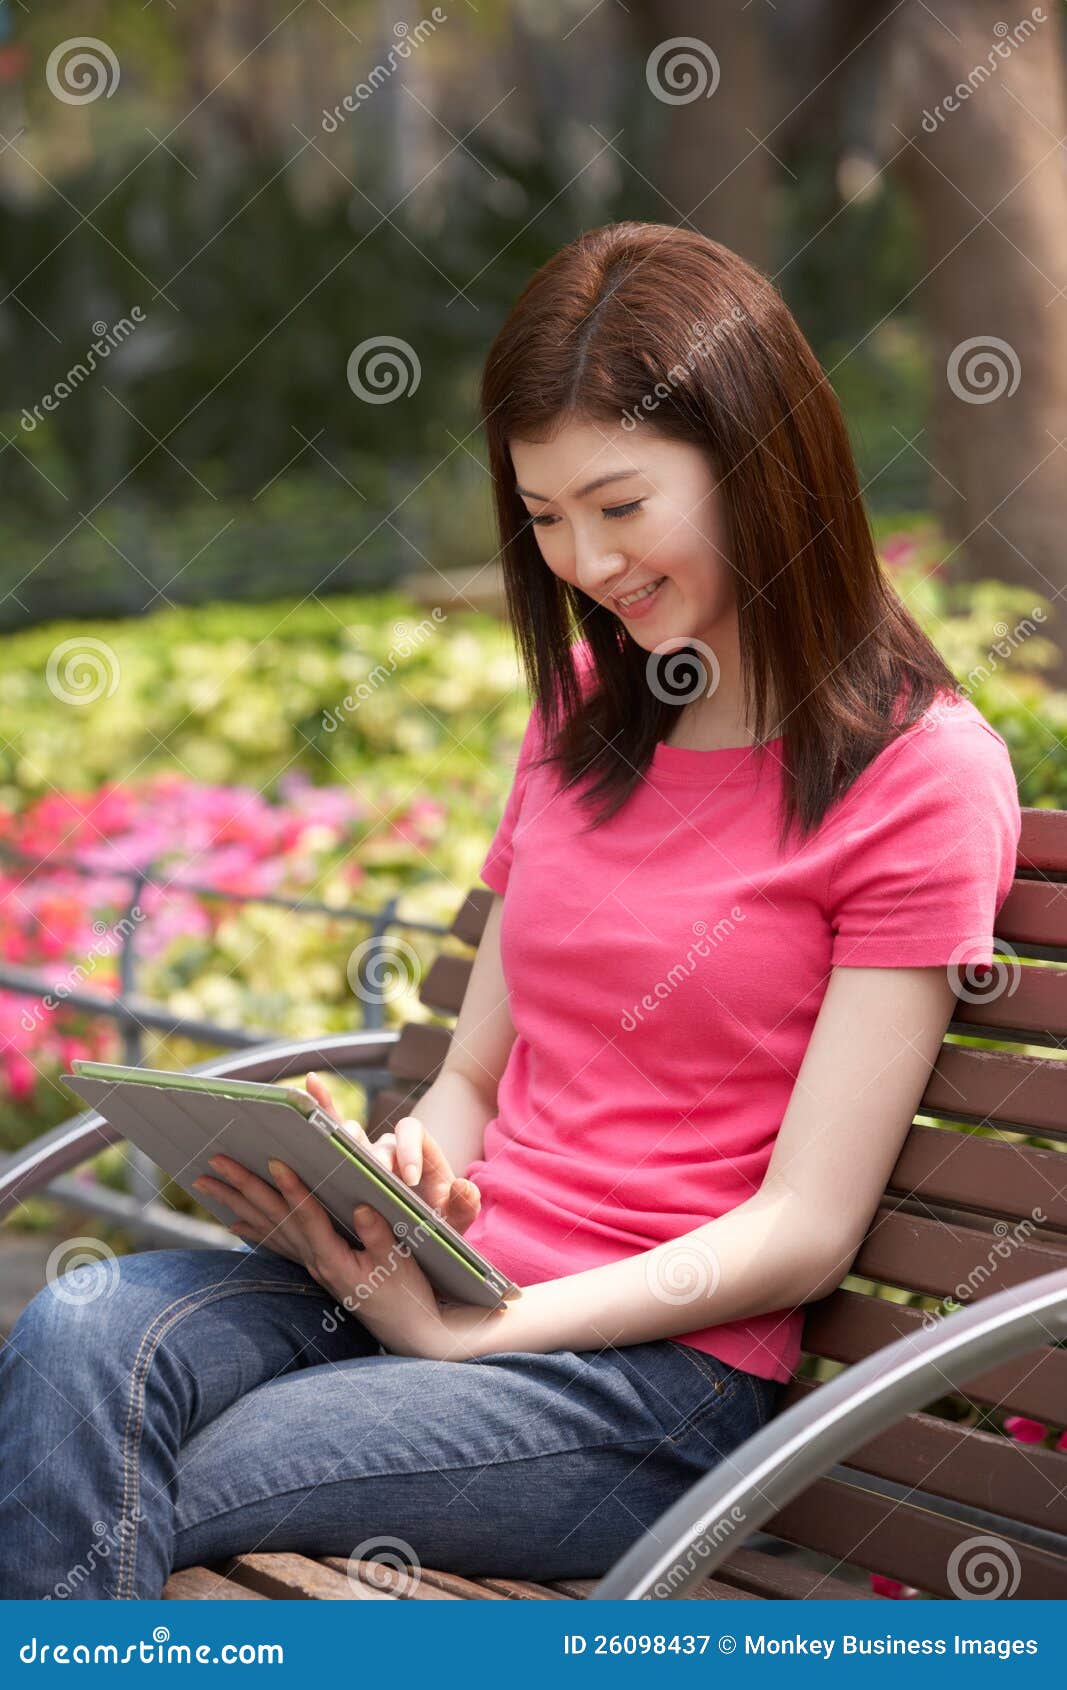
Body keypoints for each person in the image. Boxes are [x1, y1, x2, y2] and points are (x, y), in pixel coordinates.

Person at [0, 221, 1021, 1600]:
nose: (585, 562)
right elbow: (475, 1069)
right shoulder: (587, 722)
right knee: (69, 1336)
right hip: (445, 1282)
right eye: (543, 518)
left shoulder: (919, 774)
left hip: (644, 1385)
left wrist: (494, 1331)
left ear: (761, 464)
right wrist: (403, 1183)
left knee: (143, 1464)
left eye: (619, 505)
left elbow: (805, 1225)